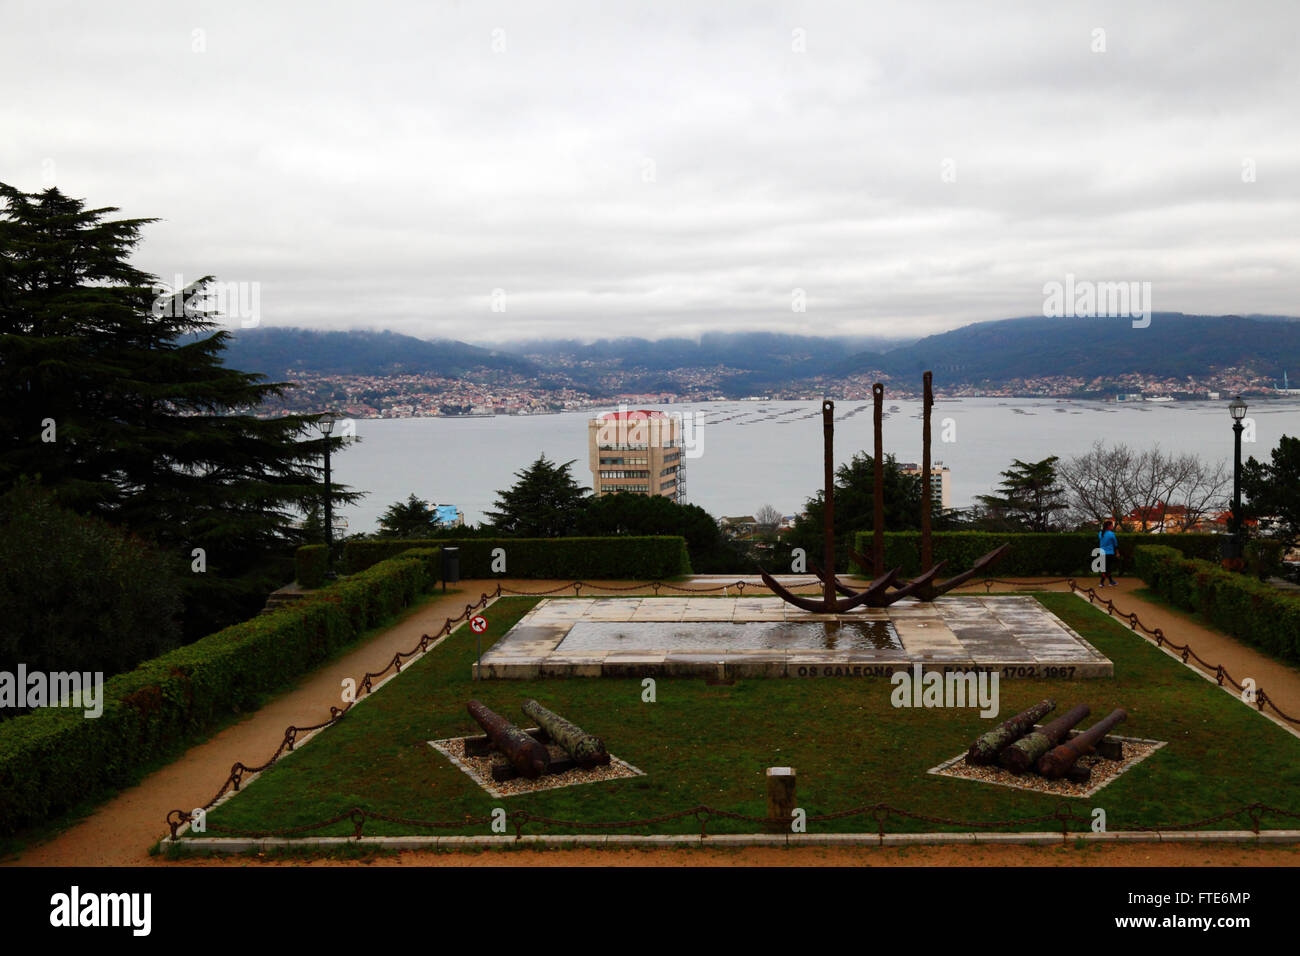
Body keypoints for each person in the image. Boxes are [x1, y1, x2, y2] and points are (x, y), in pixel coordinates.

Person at [1098, 519, 1119, 587]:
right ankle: (1102, 582)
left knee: (1106, 568)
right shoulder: (1111, 534)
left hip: (1102, 552)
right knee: (1108, 568)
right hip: (1109, 553)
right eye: (1112, 525)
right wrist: (1117, 552)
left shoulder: (1100, 533)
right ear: (1109, 526)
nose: (1112, 526)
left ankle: (1111, 581)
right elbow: (1115, 544)